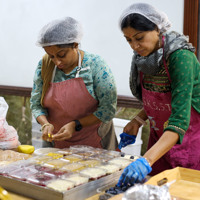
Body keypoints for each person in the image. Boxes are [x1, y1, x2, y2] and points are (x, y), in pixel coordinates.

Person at [117, 3, 200, 186]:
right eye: (128, 40)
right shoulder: (143, 58)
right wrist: (138, 120)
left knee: (182, 190)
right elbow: (157, 96)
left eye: (139, 37)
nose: (135, 46)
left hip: (187, 138)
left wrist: (146, 160)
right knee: (156, 189)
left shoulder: (180, 57)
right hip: (159, 138)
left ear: (156, 28)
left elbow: (179, 118)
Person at [30, 17, 118, 150]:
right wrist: (45, 124)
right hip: (57, 143)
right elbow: (36, 105)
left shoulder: (95, 65)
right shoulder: (45, 66)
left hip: (95, 142)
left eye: (62, 55)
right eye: (51, 56)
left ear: (75, 45)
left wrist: (75, 124)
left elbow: (107, 110)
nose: (57, 62)